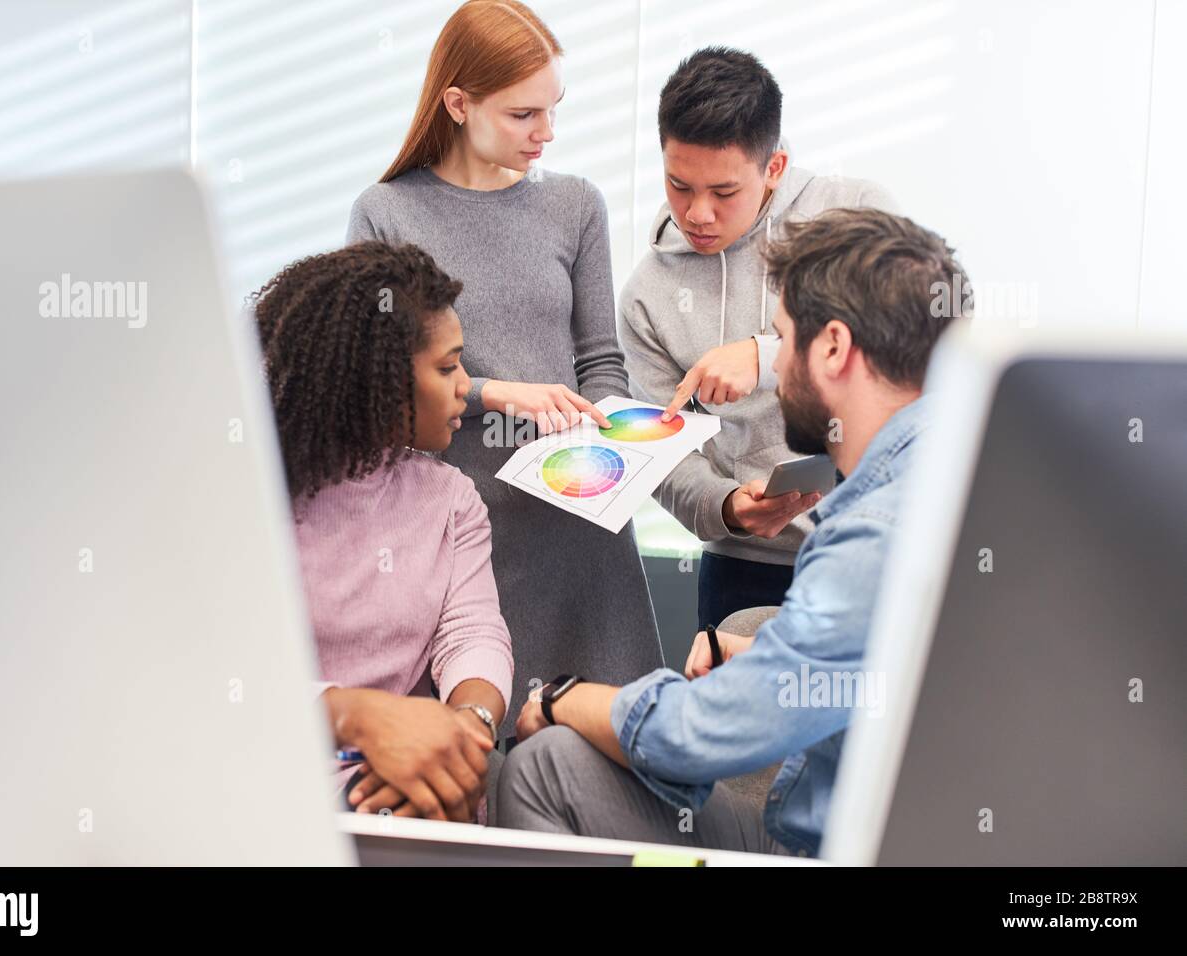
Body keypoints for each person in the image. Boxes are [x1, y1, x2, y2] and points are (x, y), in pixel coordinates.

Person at [497, 208, 971, 857]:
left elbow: (697, 737)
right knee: (749, 628)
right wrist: (773, 661)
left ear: (832, 347)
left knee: (545, 760)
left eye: (783, 342)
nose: (775, 377)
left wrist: (563, 699)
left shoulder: (872, 535)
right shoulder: (966, 480)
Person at [347, 0, 662, 744]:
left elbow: (599, 361)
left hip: (582, 531)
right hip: (462, 536)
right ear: (458, 103)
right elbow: (381, 383)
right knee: (479, 773)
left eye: (554, 110)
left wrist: (623, 430)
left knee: (617, 778)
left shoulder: (575, 205)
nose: (546, 134)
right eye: (524, 115)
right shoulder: (386, 214)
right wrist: (495, 393)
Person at [617, 46, 899, 629]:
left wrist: (768, 355)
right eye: (678, 184)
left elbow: (914, 341)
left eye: (723, 192)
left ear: (774, 167)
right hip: (740, 562)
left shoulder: (853, 214)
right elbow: (657, 449)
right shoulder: (647, 292)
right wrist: (726, 509)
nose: (697, 214)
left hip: (872, 552)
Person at [252, 240, 513, 823]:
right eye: (446, 368)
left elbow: (472, 634)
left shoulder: (451, 500)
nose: (465, 386)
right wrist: (356, 718)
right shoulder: (248, 499)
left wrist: (467, 729)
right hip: (262, 778)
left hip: (394, 778)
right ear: (380, 380)